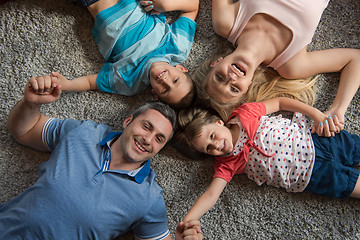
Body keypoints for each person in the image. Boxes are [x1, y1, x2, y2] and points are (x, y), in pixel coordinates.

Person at [0, 75, 203, 240]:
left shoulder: (148, 198)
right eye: (146, 126)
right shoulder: (83, 132)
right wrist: (29, 104)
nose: (148, 139)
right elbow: (24, 131)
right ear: (127, 121)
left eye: (159, 138)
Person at [175, 96, 360, 227]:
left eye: (212, 136)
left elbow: (280, 102)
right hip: (312, 175)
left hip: (316, 138)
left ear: (218, 122)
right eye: (209, 148)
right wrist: (187, 219)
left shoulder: (245, 113)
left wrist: (316, 114)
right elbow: (211, 195)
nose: (216, 145)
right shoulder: (225, 164)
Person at [192, 0, 360, 120]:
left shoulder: (225, 23)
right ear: (248, 87)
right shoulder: (290, 64)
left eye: (219, 78)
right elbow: (354, 59)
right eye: (234, 89)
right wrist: (338, 109)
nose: (230, 78)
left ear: (215, 63)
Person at [56, 0, 199, 109]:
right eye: (175, 80)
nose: (165, 81)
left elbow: (91, 82)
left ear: (155, 94)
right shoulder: (177, 48)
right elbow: (192, 7)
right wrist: (165, 5)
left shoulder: (130, 83)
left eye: (165, 91)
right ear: (181, 68)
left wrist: (68, 85)